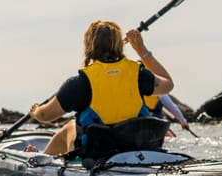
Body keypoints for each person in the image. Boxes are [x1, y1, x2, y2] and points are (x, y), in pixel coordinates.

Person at [28, 20, 173, 156]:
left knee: (70, 126)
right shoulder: (139, 74)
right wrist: (142, 50)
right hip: (135, 150)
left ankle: (42, 159)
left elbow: (46, 116)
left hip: (96, 154)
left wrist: (35, 111)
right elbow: (168, 84)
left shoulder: (79, 83)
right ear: (119, 45)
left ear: (89, 47)